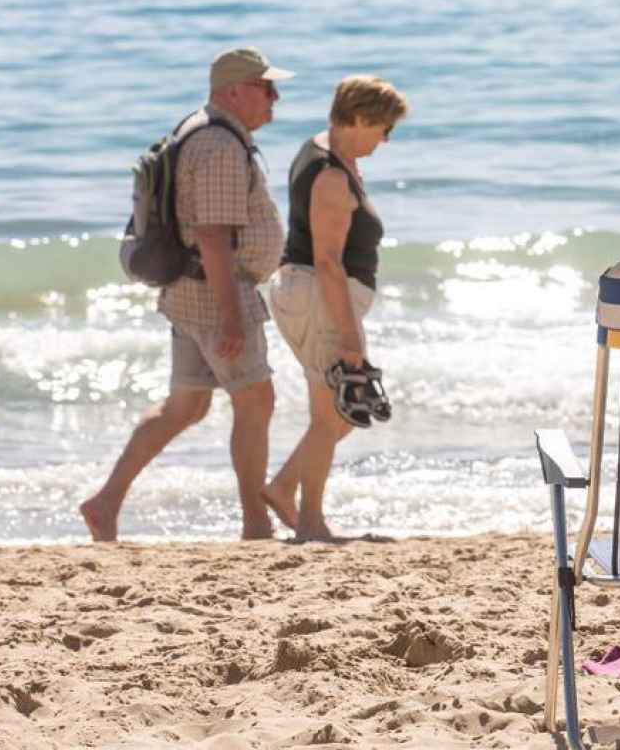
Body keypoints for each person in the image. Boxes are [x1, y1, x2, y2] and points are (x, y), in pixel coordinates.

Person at [81, 47, 290, 541]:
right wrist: (233, 316)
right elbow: (214, 237)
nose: (275, 98)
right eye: (266, 88)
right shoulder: (218, 145)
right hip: (214, 292)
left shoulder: (199, 129)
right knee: (256, 400)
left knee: (186, 408)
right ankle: (256, 522)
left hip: (189, 290)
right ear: (232, 91)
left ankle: (105, 502)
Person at [260, 75, 408, 541]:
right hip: (318, 295)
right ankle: (310, 521)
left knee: (336, 414)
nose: (385, 140)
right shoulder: (330, 175)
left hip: (313, 294)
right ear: (360, 118)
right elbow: (326, 261)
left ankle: (284, 489)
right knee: (333, 417)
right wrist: (349, 339)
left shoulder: (326, 152)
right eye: (383, 129)